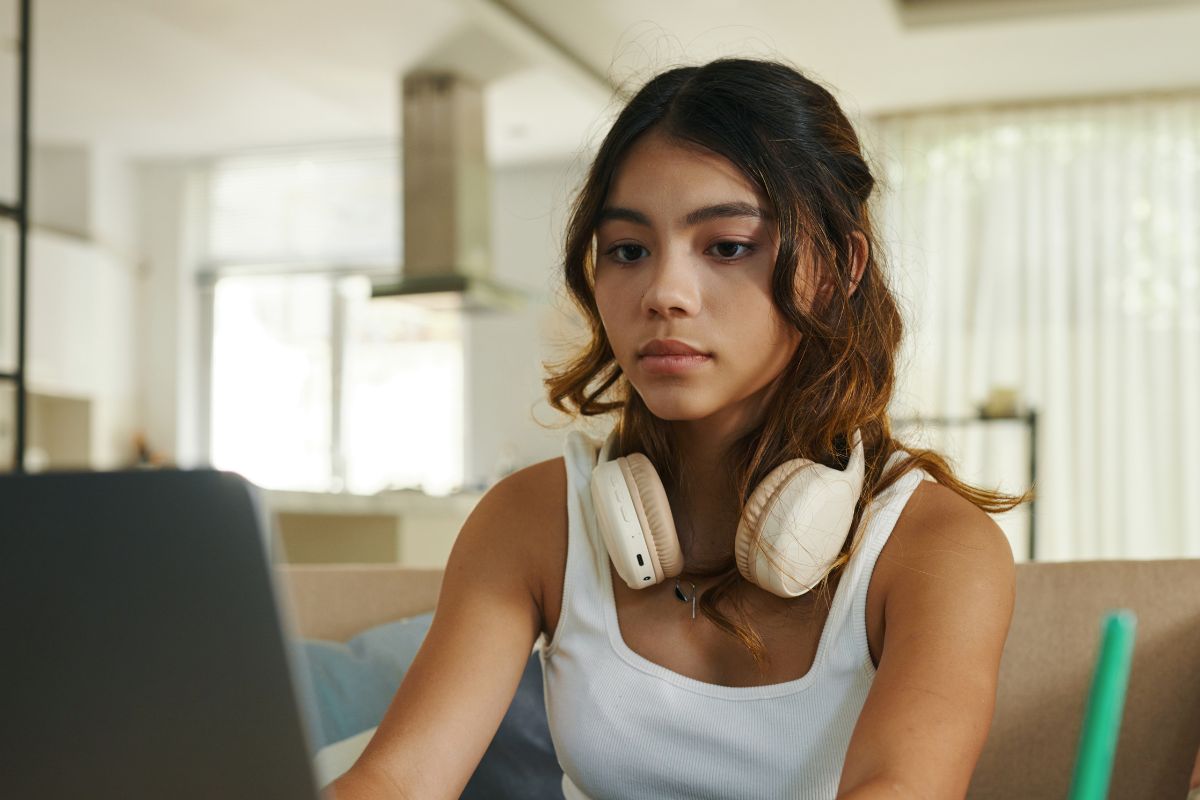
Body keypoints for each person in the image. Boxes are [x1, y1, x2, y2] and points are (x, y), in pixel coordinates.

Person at [330, 58, 1029, 799]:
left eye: (727, 246)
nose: (663, 292)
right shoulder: (530, 522)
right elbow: (399, 781)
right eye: (629, 250)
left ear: (837, 268)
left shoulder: (936, 550)